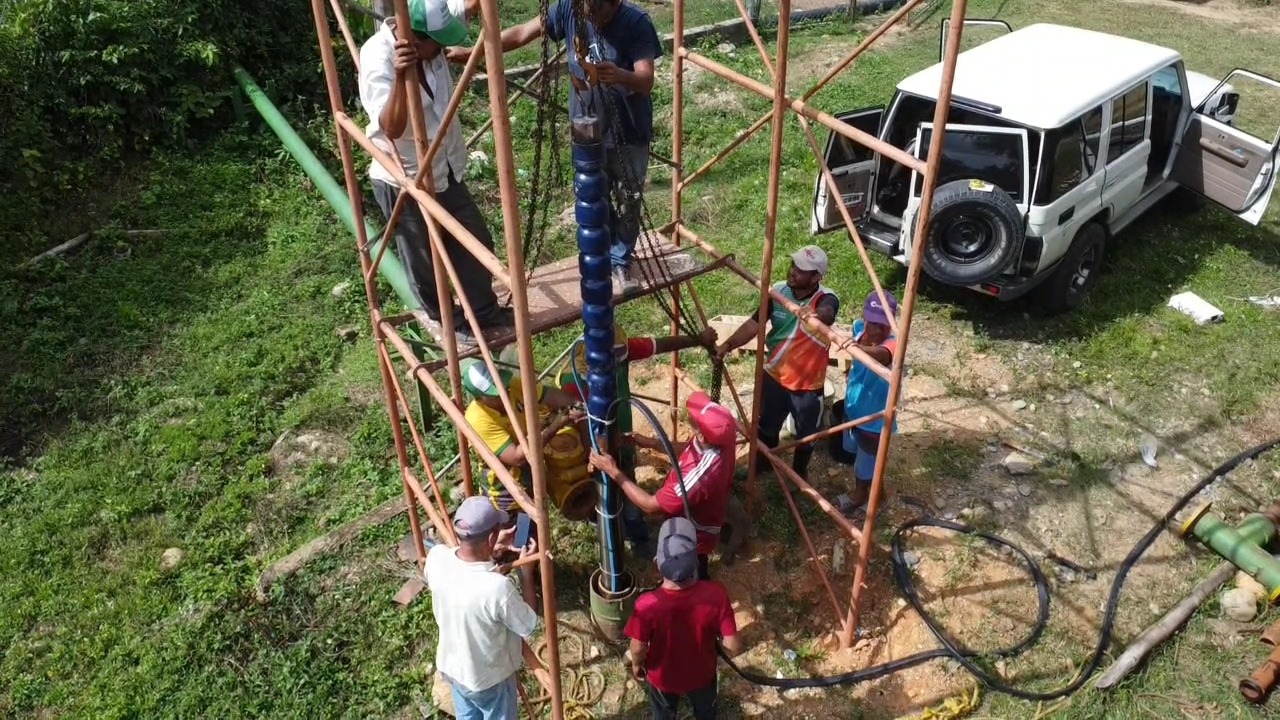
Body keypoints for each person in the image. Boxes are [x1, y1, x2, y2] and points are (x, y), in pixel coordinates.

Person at [475, 0, 661, 293]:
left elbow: (646, 79)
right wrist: (478, 52)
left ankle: (621, 261)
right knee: (593, 197)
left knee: (629, 199)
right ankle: (600, 258)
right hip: (587, 131)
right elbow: (522, 33)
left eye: (599, 12)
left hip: (628, 131)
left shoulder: (636, 22)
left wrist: (619, 75)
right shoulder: (569, 8)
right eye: (588, 11)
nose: (592, 17)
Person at [358, 0, 513, 342]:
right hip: (406, 177)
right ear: (414, 41)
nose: (442, 50)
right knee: (425, 260)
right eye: (437, 45)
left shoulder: (431, 19)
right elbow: (391, 127)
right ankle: (448, 322)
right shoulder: (377, 57)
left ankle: (484, 312)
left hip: (445, 167)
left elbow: (468, 7)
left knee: (475, 242)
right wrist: (402, 77)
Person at [563, 326, 719, 556]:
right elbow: (579, 421)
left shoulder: (620, 348)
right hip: (592, 445)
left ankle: (637, 536)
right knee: (601, 488)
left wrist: (698, 339)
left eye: (621, 357)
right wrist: (597, 451)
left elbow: (660, 344)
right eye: (614, 358)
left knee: (627, 477)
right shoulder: (574, 379)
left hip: (621, 433)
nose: (618, 362)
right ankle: (606, 533)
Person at [716, 245, 839, 480]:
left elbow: (828, 312)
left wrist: (816, 315)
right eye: (793, 265)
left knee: (806, 437)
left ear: (816, 277)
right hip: (775, 376)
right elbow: (753, 325)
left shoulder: (826, 298)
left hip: (807, 388)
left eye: (800, 270)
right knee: (766, 427)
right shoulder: (779, 292)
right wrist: (728, 345)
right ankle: (763, 464)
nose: (792, 271)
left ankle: (799, 475)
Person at [589, 391, 737, 580]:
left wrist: (613, 471)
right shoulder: (722, 438)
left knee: (688, 570)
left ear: (701, 436)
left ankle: (697, 584)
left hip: (693, 532)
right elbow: (689, 448)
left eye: (694, 418)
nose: (689, 414)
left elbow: (650, 506)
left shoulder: (698, 478)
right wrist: (648, 442)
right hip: (700, 510)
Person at [426, 496, 539, 720]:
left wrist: (489, 551)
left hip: (454, 669)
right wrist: (526, 573)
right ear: (490, 538)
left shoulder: (437, 557)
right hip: (489, 680)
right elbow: (528, 624)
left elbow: (465, 574)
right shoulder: (497, 589)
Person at [624, 517, 743, 720]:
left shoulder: (646, 605)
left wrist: (636, 665)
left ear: (657, 564)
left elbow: (637, 648)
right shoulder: (716, 595)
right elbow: (733, 645)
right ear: (696, 562)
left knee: (663, 714)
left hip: (662, 678)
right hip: (702, 675)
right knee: (706, 712)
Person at [461, 357, 583, 513]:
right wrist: (554, 426)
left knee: (537, 514)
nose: (503, 393)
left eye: (502, 385)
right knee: (517, 524)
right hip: (506, 489)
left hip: (530, 469)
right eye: (495, 393)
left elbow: (550, 395)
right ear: (480, 398)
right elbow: (517, 457)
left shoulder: (513, 386)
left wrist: (575, 404)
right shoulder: (478, 419)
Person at [843, 290, 900, 515]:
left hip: (875, 417)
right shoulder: (858, 328)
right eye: (872, 322)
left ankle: (862, 496)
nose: (876, 330)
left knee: (867, 460)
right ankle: (877, 494)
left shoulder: (894, 343)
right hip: (854, 407)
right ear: (863, 316)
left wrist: (856, 349)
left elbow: (883, 355)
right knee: (862, 454)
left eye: (882, 325)